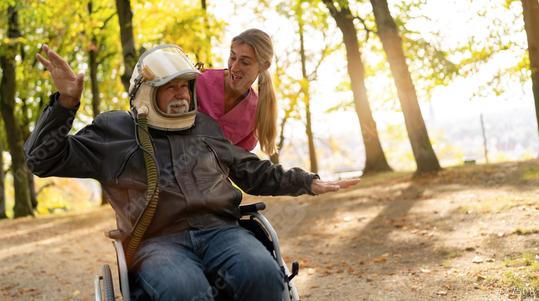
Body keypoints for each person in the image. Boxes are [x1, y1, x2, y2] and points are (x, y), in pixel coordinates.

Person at [26, 44, 359, 301]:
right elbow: (42, 159)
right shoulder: (115, 129)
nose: (183, 94)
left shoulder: (205, 126)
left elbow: (252, 170)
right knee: (185, 290)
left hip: (223, 232)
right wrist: (65, 105)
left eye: (186, 86)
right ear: (145, 90)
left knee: (261, 273)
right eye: (171, 87)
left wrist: (307, 181)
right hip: (157, 243)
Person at [196, 29, 278, 154]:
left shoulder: (256, 113)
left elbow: (237, 164)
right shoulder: (199, 81)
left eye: (245, 62)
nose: (234, 67)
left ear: (264, 66)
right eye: (232, 57)